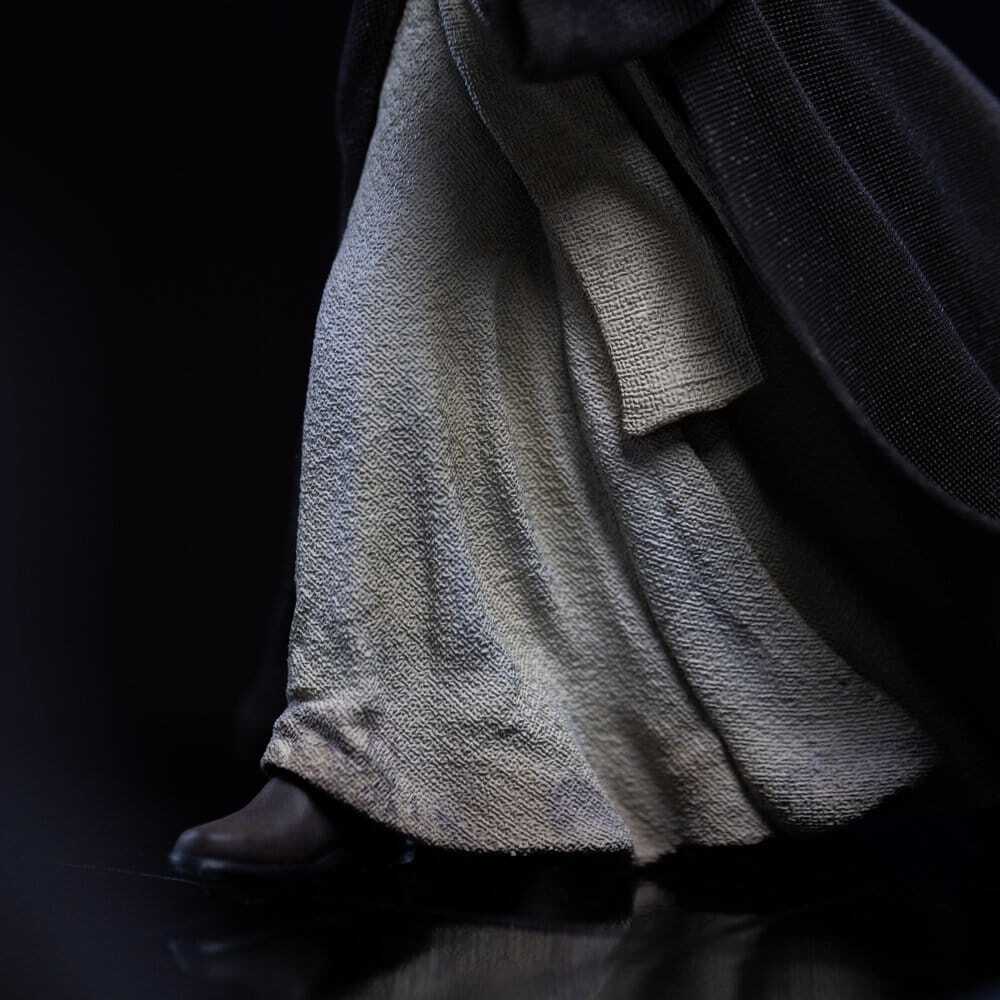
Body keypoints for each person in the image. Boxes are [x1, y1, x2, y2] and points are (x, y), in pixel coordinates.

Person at [170, 0, 1000, 880]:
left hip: (645, 54)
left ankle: (788, 737)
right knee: (386, 334)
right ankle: (356, 750)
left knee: (706, 411)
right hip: (465, 40)